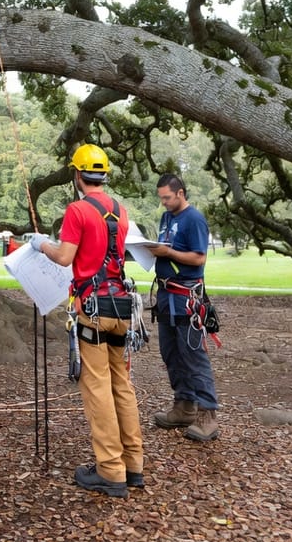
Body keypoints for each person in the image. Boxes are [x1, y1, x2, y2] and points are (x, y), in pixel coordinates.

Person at [29, 144, 144, 498]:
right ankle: (133, 465)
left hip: (93, 310)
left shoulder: (78, 210)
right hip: (122, 309)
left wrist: (40, 244)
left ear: (77, 175)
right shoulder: (120, 211)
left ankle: (111, 471)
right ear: (103, 175)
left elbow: (65, 257)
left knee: (97, 388)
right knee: (121, 386)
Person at [150, 172, 220, 442]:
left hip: (186, 297)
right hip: (166, 295)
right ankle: (184, 405)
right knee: (171, 353)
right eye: (161, 198)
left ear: (180, 193)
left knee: (193, 355)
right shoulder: (167, 217)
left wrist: (169, 254)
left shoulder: (194, 219)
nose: (164, 203)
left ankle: (208, 415)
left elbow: (198, 257)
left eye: (167, 197)